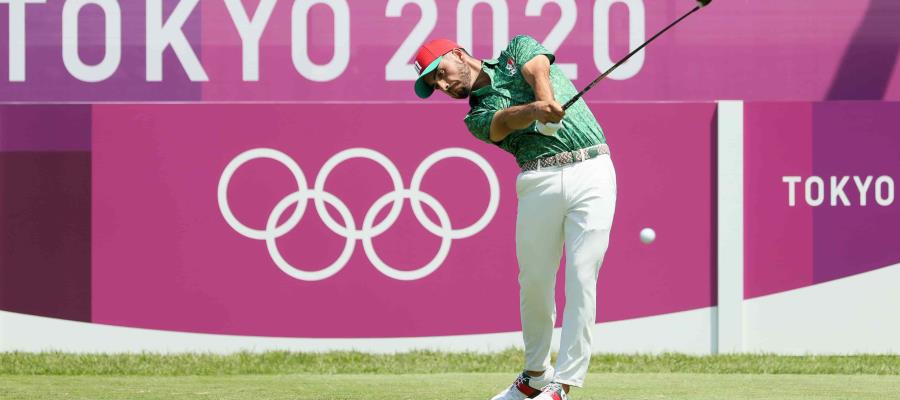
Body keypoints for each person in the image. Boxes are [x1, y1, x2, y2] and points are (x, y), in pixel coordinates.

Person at [412, 36, 617, 400]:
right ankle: (536, 374)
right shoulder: (474, 116)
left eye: (440, 74)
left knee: (582, 276)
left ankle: (563, 384)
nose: (443, 86)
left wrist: (545, 99)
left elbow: (537, 66)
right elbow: (502, 122)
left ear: (457, 54)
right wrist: (537, 111)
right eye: (435, 85)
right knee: (535, 282)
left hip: (593, 170)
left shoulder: (517, 48)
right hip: (539, 181)